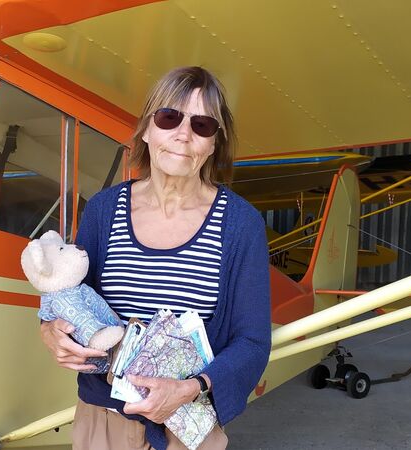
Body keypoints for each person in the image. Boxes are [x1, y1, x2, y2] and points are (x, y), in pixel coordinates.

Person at [39, 66, 271, 450]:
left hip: (188, 421)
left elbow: (252, 342)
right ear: (147, 128)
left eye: (202, 125)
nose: (183, 134)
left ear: (214, 143)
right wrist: (49, 330)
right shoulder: (103, 210)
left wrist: (189, 388)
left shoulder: (240, 223)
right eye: (169, 117)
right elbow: (69, 295)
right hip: (105, 421)